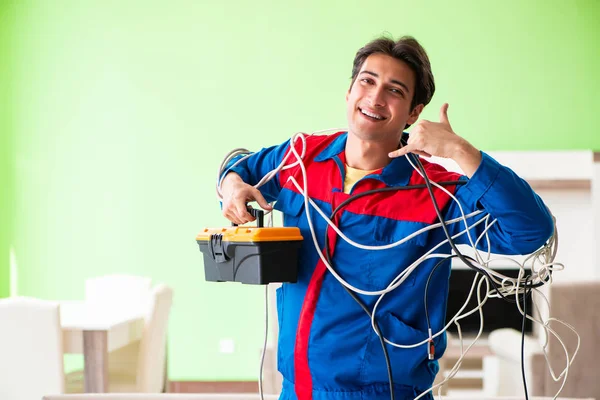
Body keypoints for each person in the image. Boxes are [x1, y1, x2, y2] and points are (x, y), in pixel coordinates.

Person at [218, 36, 554, 400]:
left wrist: (460, 150)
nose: (376, 97)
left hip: (385, 392)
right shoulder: (300, 157)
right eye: (367, 80)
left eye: (394, 90)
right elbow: (239, 168)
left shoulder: (435, 192)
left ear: (413, 113)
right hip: (297, 387)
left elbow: (530, 231)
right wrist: (232, 186)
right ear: (349, 92)